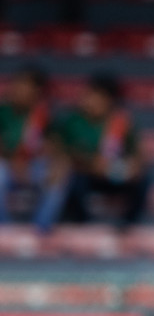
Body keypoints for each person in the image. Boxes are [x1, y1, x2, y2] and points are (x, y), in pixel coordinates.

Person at [57, 71, 148, 228]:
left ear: (107, 99)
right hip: (88, 175)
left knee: (143, 181)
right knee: (74, 182)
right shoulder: (75, 122)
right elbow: (69, 154)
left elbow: (137, 155)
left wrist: (132, 168)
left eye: (93, 96)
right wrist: (93, 165)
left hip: (113, 173)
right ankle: (80, 223)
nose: (87, 100)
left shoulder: (121, 122)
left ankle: (128, 227)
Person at [0, 63, 66, 227]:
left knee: (58, 176)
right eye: (16, 83)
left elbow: (58, 149)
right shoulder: (3, 112)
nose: (16, 88)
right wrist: (13, 159)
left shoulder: (45, 115)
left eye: (23, 85)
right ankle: (5, 228)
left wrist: (58, 164)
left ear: (37, 90)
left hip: (35, 167)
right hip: (8, 166)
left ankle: (40, 230)